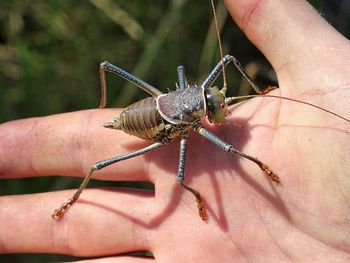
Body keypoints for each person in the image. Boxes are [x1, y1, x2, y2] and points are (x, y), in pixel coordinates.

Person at [1, 0, 349, 261]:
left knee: (223, 62)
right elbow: (182, 177)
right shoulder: (189, 130)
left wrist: (255, 96)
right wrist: (199, 193)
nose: (220, 103)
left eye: (216, 101)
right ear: (200, 116)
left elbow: (222, 68)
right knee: (97, 166)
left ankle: (255, 92)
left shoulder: (203, 102)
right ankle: (71, 200)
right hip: (154, 123)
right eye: (214, 104)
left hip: (168, 106)